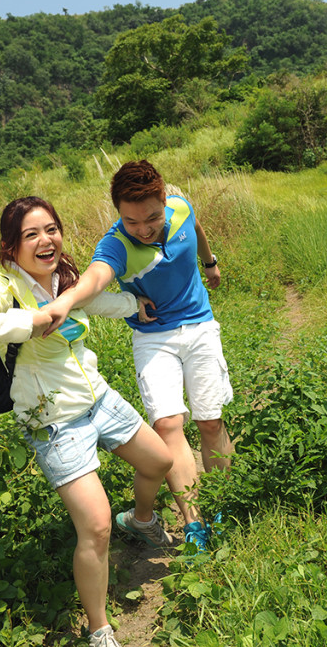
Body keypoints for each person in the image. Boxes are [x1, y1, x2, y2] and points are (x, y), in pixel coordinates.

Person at [0, 196, 175, 647]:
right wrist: (30, 320)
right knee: (97, 526)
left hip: (99, 398)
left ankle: (142, 522)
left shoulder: (64, 277)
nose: (46, 241)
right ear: (10, 247)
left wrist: (131, 304)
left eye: (52, 229)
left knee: (160, 461)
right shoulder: (2, 286)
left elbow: (93, 299)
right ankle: (101, 634)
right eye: (31, 234)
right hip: (53, 421)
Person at [41, 160, 234, 550]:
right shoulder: (116, 244)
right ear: (118, 215)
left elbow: (195, 228)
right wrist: (65, 302)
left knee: (210, 423)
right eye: (132, 221)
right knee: (167, 426)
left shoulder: (180, 207)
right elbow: (95, 278)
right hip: (153, 338)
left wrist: (209, 263)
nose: (143, 229)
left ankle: (224, 506)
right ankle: (195, 525)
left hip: (199, 326)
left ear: (164, 200)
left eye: (151, 218)